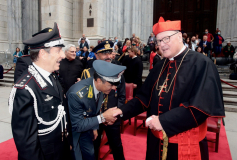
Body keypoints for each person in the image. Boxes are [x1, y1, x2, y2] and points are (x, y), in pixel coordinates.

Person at [112, 16, 225, 160]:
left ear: (179, 36)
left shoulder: (203, 64)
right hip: (155, 142)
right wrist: (121, 111)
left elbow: (201, 109)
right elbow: (143, 99)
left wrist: (163, 121)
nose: (161, 45)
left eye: (166, 39)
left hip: (184, 146)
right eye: (158, 41)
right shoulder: (159, 65)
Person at [9, 22, 71, 160]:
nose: (63, 55)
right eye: (58, 50)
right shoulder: (25, 89)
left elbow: (62, 115)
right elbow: (27, 145)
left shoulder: (52, 77)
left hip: (62, 150)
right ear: (43, 53)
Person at [67, 60, 126, 160]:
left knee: (90, 155)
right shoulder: (76, 94)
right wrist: (102, 117)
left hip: (87, 128)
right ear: (99, 80)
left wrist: (94, 127)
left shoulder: (99, 87)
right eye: (111, 85)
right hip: (74, 133)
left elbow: (93, 109)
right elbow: (77, 125)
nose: (113, 88)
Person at [81, 40, 126, 160]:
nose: (108, 56)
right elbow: (85, 99)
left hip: (112, 117)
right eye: (104, 53)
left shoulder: (118, 72)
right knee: (93, 147)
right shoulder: (88, 73)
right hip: (94, 118)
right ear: (96, 55)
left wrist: (116, 113)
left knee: (117, 146)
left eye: (110, 53)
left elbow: (122, 96)